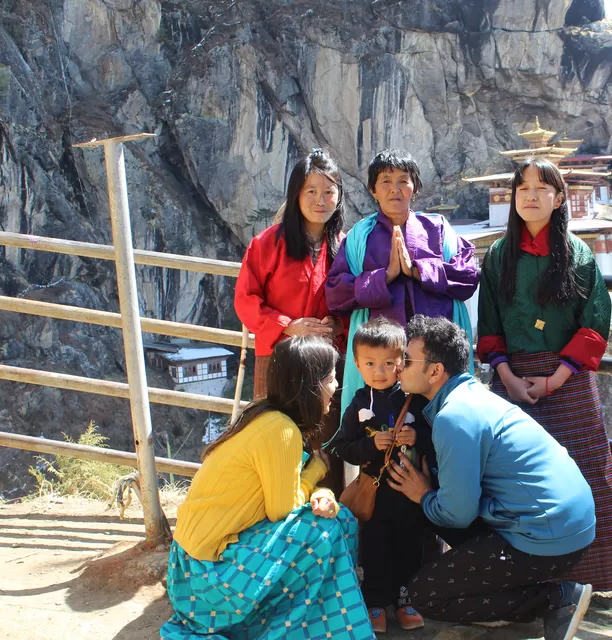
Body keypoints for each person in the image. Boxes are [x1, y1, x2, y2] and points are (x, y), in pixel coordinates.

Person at [387, 315, 596, 640]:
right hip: (563, 521)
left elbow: (458, 513)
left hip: (548, 535)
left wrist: (424, 496)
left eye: (407, 360)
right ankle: (532, 594)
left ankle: (556, 598)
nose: (399, 367)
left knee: (425, 595)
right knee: (438, 516)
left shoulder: (454, 417)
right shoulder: (471, 395)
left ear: (435, 371)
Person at [161, 337, 375, 640]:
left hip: (192, 564)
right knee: (322, 531)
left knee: (337, 519)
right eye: (330, 378)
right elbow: (282, 510)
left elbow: (283, 490)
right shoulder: (281, 430)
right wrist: (316, 470)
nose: (336, 386)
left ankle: (321, 617)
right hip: (206, 576)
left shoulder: (262, 414)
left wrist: (319, 491)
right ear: (311, 385)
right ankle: (313, 622)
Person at [476, 157, 612, 591]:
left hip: (567, 380)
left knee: (587, 469)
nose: (531, 196)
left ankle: (590, 578)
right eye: (522, 188)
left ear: (559, 199)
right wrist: (505, 374)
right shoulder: (500, 255)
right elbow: (490, 324)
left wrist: (556, 378)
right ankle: (519, 583)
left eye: (542, 188)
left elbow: (595, 321)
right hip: (510, 379)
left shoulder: (577, 254)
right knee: (508, 476)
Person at [325, 148, 479, 417]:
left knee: (441, 428)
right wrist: (386, 276)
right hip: (382, 361)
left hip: (436, 354)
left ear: (414, 187)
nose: (394, 189)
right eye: (385, 181)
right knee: (383, 432)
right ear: (373, 190)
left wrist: (418, 270)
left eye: (403, 180)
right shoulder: (360, 236)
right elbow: (336, 293)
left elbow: (467, 277)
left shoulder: (438, 229)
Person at [327, 317, 433, 634]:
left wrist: (417, 437)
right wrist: (370, 444)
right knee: (373, 547)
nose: (380, 371)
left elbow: (437, 439)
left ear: (403, 362)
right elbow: (343, 448)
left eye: (389, 363)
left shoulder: (414, 398)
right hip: (374, 493)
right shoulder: (358, 404)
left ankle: (405, 600)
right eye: (371, 363)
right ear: (357, 365)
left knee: (409, 546)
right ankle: (374, 602)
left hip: (411, 494)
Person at [234, 148, 346, 403]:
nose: (321, 200)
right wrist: (288, 326)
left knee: (323, 436)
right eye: (312, 191)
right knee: (276, 432)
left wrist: (339, 325)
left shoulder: (347, 247)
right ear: (296, 195)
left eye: (329, 192)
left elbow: (358, 305)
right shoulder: (267, 244)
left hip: (327, 360)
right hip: (278, 355)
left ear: (338, 198)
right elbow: (245, 300)